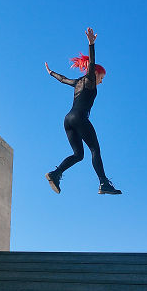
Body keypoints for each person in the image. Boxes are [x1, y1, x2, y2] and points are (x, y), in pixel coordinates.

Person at [44, 27, 122, 195]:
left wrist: (51, 73)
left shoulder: (78, 82)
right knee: (95, 150)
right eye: (101, 78)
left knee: (78, 155)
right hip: (80, 118)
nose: (101, 82)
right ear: (95, 74)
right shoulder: (89, 80)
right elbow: (92, 64)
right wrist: (91, 44)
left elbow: (63, 79)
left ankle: (55, 174)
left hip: (67, 120)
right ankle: (103, 183)